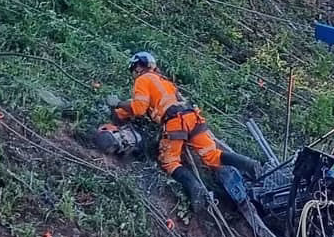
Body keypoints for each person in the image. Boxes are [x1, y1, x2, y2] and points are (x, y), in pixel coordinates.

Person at [110, 52, 260, 208]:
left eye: (134, 69)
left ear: (138, 66)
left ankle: (196, 189)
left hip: (175, 122)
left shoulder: (142, 79)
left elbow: (139, 108)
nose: (134, 73)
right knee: (211, 155)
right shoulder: (164, 81)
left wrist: (119, 104)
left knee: (170, 161)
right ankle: (248, 164)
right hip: (193, 117)